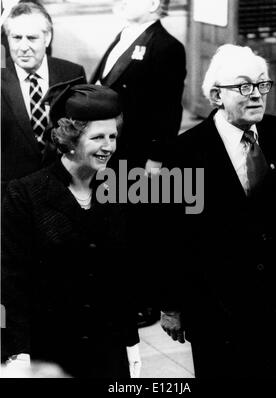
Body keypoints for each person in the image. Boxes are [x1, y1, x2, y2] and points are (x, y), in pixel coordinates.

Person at [160, 44, 276, 378]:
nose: (256, 95)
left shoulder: (275, 131)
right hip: (215, 305)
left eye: (262, 84)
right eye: (243, 86)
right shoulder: (184, 152)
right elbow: (169, 235)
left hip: (273, 302)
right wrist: (171, 306)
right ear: (216, 95)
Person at [1, 83, 141, 378]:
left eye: (113, 136)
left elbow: (124, 275)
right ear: (71, 140)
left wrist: (131, 343)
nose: (109, 146)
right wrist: (17, 351)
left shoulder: (119, 189)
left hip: (108, 349)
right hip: (50, 351)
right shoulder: (25, 194)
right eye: (98, 137)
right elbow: (12, 279)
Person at [90, 0, 186, 174]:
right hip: (107, 144)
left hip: (136, 152)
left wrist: (157, 157)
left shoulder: (167, 47)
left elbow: (169, 110)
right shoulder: (124, 35)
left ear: (153, 4)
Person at [1, 1, 86, 192]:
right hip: (10, 192)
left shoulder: (72, 74)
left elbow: (81, 134)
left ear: (46, 39)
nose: (23, 47)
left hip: (62, 187)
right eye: (16, 38)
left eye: (31, 38)